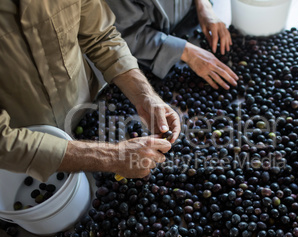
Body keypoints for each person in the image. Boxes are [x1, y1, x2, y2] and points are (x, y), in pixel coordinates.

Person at [0, 0, 180, 182]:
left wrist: (145, 95)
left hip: (88, 108)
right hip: (22, 152)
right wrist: (112, 156)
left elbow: (101, 36)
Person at [105, 0, 239, 90]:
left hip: (190, 22)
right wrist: (186, 52)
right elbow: (128, 35)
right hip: (149, 49)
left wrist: (203, 5)